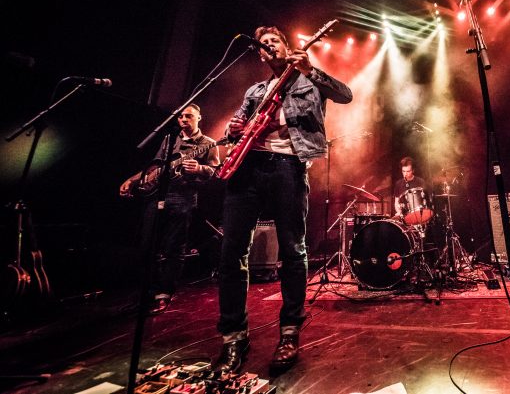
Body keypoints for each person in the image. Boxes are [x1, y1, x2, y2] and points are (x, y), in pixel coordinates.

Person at [215, 25, 353, 373]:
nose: (269, 46)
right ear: (260, 54)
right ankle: (234, 337)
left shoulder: (308, 81)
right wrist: (234, 127)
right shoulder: (256, 89)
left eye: (274, 41)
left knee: (294, 251)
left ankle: (289, 333)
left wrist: (310, 69)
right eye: (263, 45)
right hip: (248, 167)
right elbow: (237, 122)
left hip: (287, 167)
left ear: (286, 46)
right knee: (231, 252)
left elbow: (345, 94)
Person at [119, 103, 221, 314]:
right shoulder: (169, 140)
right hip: (157, 197)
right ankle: (149, 293)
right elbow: (155, 167)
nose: (184, 119)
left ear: (198, 118)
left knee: (174, 248)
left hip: (183, 198)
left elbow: (216, 171)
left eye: (189, 116)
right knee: (148, 246)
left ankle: (164, 294)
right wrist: (132, 180)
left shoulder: (208, 143)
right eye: (181, 116)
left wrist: (200, 168)